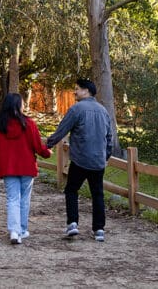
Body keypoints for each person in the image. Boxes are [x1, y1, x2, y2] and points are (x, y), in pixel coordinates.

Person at [45, 78, 113, 242]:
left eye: (77, 89)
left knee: (71, 190)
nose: (74, 92)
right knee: (97, 194)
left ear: (86, 91)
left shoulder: (77, 109)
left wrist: (47, 144)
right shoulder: (103, 111)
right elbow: (109, 137)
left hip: (81, 159)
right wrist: (106, 156)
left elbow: (62, 130)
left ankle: (73, 223)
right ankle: (99, 230)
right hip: (98, 162)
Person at [0, 93, 51, 244]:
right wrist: (47, 153)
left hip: (8, 168)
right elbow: (37, 146)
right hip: (27, 167)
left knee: (12, 199)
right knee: (24, 200)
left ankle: (14, 231)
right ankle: (22, 230)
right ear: (19, 105)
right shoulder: (29, 124)